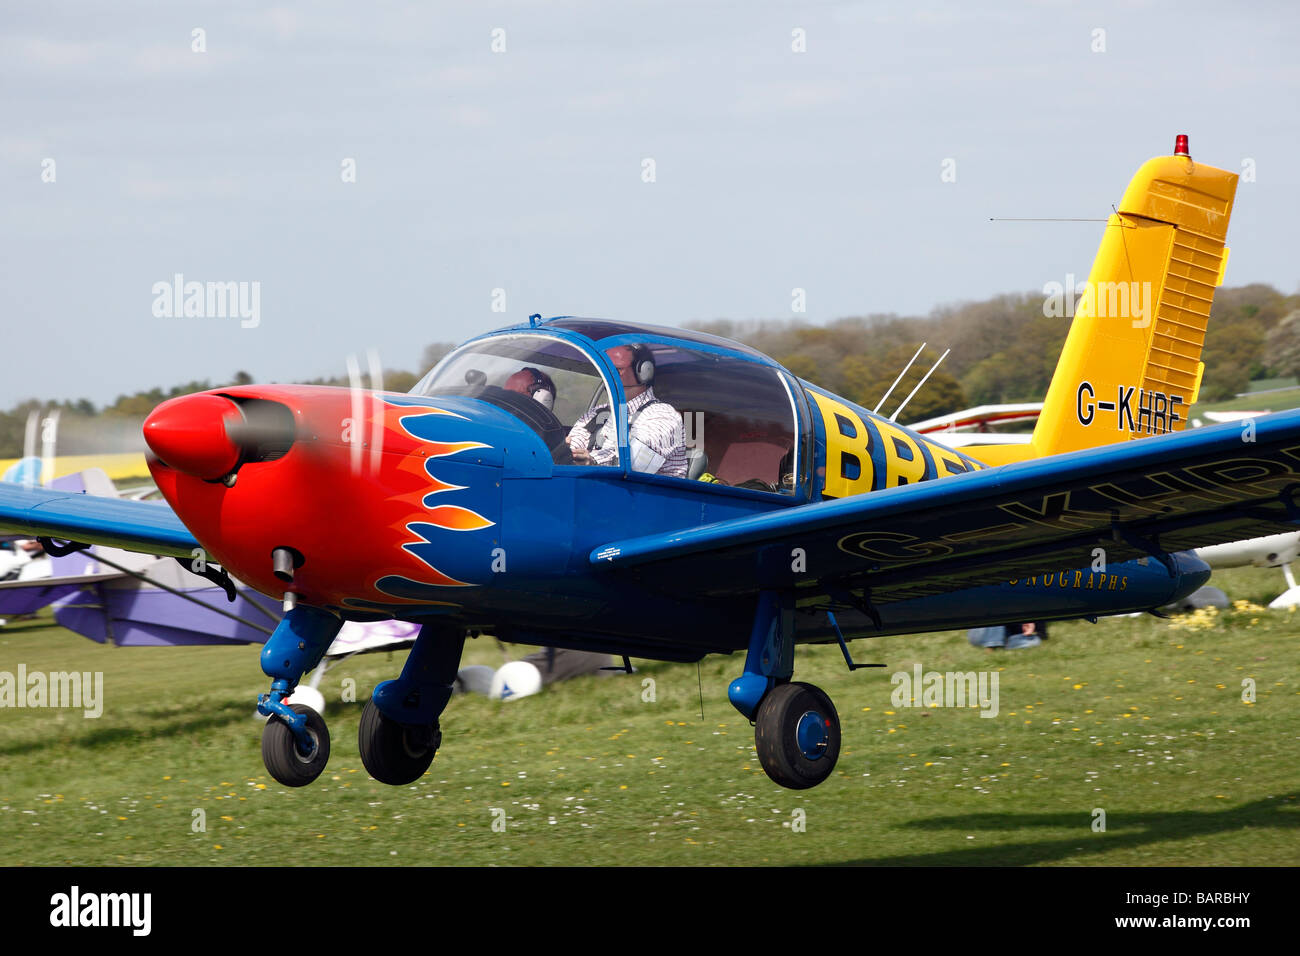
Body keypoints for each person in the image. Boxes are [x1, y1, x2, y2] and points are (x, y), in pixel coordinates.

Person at [567, 345, 687, 477]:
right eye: (605, 370)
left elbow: (634, 463)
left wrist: (593, 462)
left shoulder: (664, 416)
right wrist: (566, 452)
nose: (607, 376)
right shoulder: (596, 413)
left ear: (643, 372)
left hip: (644, 495)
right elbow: (573, 446)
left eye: (617, 370)